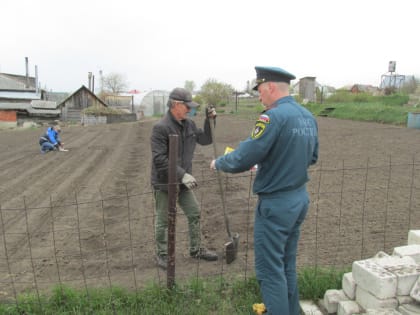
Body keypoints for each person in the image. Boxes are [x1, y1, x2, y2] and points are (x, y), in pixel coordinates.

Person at [210, 66, 318, 315]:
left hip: (276, 205)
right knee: (286, 264)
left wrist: (220, 163)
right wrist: (276, 163)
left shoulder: (272, 117)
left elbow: (244, 157)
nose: (259, 96)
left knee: (270, 271)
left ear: (270, 87)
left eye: (259, 90)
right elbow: (311, 157)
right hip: (299, 199)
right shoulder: (306, 116)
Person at [151, 87, 218, 270]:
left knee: (194, 212)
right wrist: (182, 174)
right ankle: (162, 254)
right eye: (187, 106)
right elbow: (159, 160)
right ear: (175, 105)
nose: (190, 110)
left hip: (184, 181)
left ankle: (196, 249)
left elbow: (205, 139)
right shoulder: (161, 127)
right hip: (165, 182)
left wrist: (209, 121)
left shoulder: (188, 125)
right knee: (164, 220)